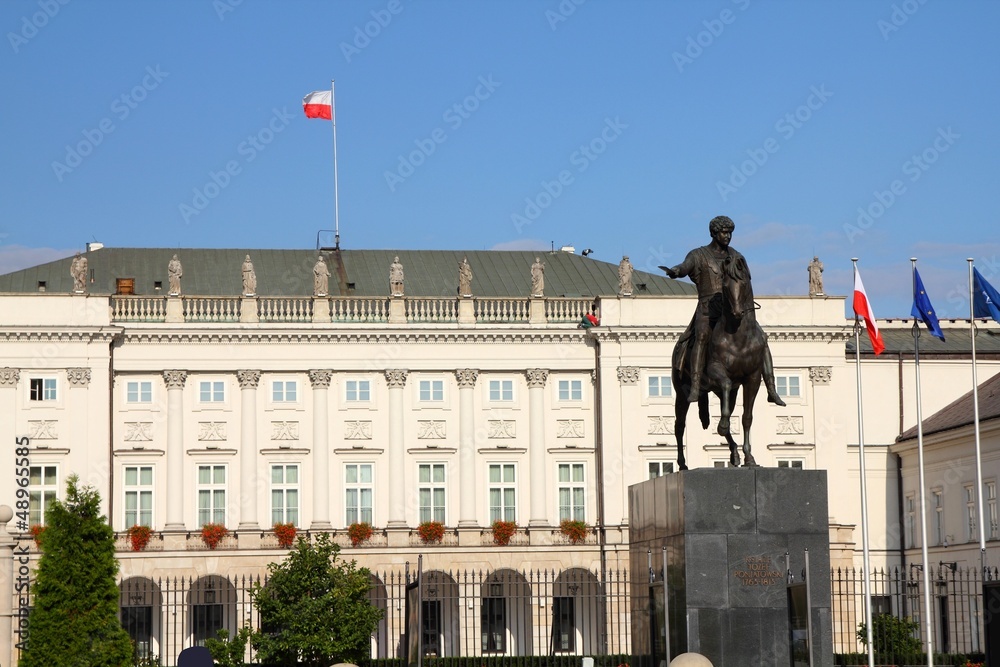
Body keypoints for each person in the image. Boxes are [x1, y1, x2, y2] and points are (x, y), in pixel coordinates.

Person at [661, 216, 784, 405]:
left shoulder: (736, 257)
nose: (728, 236)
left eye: (730, 233)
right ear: (714, 233)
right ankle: (694, 386)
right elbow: (685, 267)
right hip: (708, 309)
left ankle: (771, 388)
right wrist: (676, 270)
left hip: (733, 308)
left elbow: (745, 280)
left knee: (760, 338)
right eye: (724, 232)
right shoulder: (698, 255)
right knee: (701, 336)